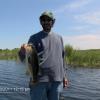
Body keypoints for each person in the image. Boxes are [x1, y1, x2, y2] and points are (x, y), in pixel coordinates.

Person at [19, 11, 68, 100]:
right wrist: (22, 51)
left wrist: (64, 76)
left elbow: (62, 58)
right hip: (38, 81)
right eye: (43, 20)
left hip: (56, 81)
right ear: (40, 22)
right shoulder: (34, 38)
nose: (46, 22)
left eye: (48, 20)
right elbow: (24, 58)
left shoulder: (60, 38)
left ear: (53, 22)